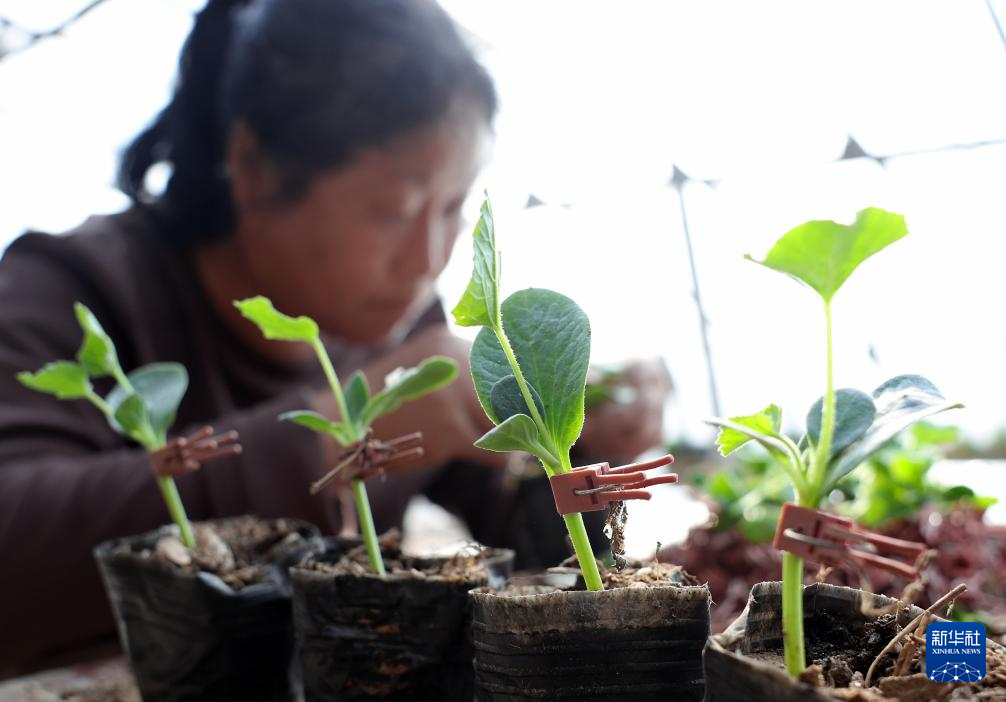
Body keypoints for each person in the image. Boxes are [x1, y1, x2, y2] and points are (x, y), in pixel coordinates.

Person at [0, 0, 669, 676]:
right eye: (395, 211)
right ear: (255, 169)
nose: (427, 260)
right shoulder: (71, 286)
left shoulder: (404, 316)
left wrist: (582, 443)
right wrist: (324, 437)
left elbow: (526, 541)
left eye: (453, 208)